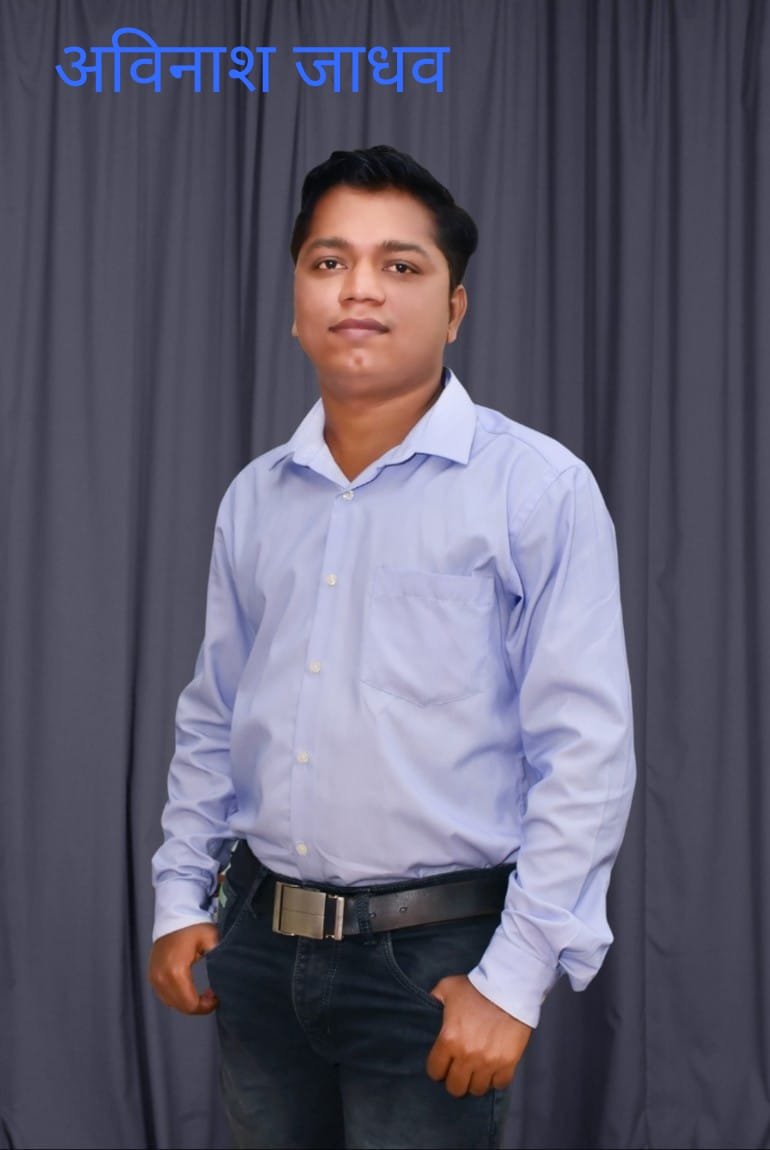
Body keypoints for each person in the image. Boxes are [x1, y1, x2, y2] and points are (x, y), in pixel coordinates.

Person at [148, 144, 635, 1150]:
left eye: (399, 264)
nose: (358, 288)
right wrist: (176, 895)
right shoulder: (255, 498)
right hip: (258, 943)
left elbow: (584, 755)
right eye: (328, 262)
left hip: (436, 963)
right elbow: (216, 712)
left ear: (454, 308)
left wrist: (512, 980)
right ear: (296, 301)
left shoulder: (534, 489)